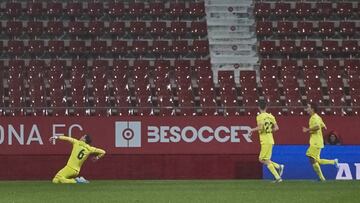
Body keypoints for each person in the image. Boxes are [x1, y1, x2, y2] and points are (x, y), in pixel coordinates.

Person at [302, 102, 339, 181]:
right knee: (317, 160)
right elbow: (324, 126)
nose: (307, 109)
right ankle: (333, 162)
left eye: (308, 107)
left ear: (312, 109)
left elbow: (318, 126)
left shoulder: (314, 118)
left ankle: (322, 178)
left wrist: (308, 129)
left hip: (315, 141)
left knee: (311, 157)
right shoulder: (318, 117)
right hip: (318, 141)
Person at [250, 101, 284, 183]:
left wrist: (252, 130)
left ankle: (278, 176)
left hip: (265, 140)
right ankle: (278, 167)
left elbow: (261, 127)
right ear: (266, 107)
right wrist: (269, 131)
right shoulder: (271, 116)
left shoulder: (259, 116)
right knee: (265, 159)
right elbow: (276, 128)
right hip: (270, 139)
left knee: (262, 159)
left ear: (259, 107)